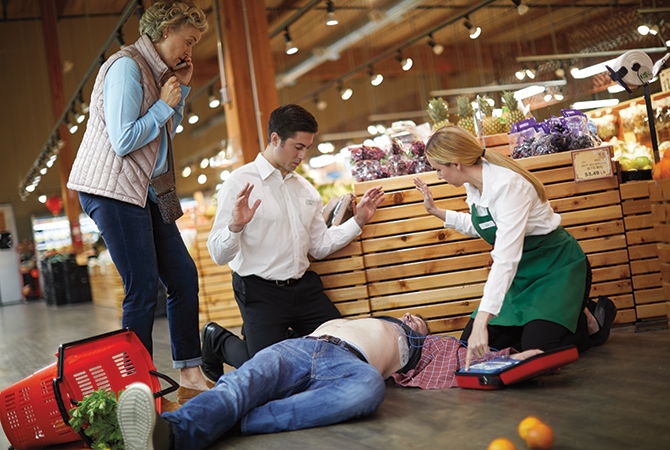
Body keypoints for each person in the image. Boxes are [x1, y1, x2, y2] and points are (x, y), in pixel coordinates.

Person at [116, 313, 542, 449]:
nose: (414, 318)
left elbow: (472, 359)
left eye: (420, 322)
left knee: (369, 390)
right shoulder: (370, 316)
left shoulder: (424, 347)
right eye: (412, 315)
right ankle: (173, 435)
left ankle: (219, 424)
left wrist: (517, 357)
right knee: (241, 385)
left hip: (349, 365)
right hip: (303, 346)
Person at [67, 1, 210, 400]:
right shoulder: (127, 67)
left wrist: (177, 94)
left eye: (195, 44)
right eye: (188, 40)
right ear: (165, 31)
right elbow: (124, 139)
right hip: (111, 190)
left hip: (146, 190)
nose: (190, 51)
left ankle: (190, 375)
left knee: (182, 277)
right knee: (142, 286)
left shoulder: (159, 74)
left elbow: (164, 132)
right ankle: (136, 387)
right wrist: (166, 101)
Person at [412, 126, 617, 370]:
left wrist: (481, 323)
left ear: (456, 164)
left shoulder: (507, 186)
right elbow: (486, 226)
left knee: (534, 354)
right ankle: (572, 313)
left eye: (438, 169)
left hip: (557, 270)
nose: (437, 176)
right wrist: (437, 212)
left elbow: (505, 258)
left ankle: (590, 323)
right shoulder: (474, 184)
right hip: (521, 276)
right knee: (470, 348)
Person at [204, 104, 385, 376]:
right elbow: (218, 255)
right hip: (259, 292)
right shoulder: (238, 183)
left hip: (304, 290)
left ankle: (271, 339)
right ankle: (215, 339)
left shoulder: (306, 191)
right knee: (269, 373)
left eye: (307, 148)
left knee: (347, 349)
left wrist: (357, 221)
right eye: (297, 146)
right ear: (275, 139)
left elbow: (320, 247)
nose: (302, 155)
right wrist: (235, 226)